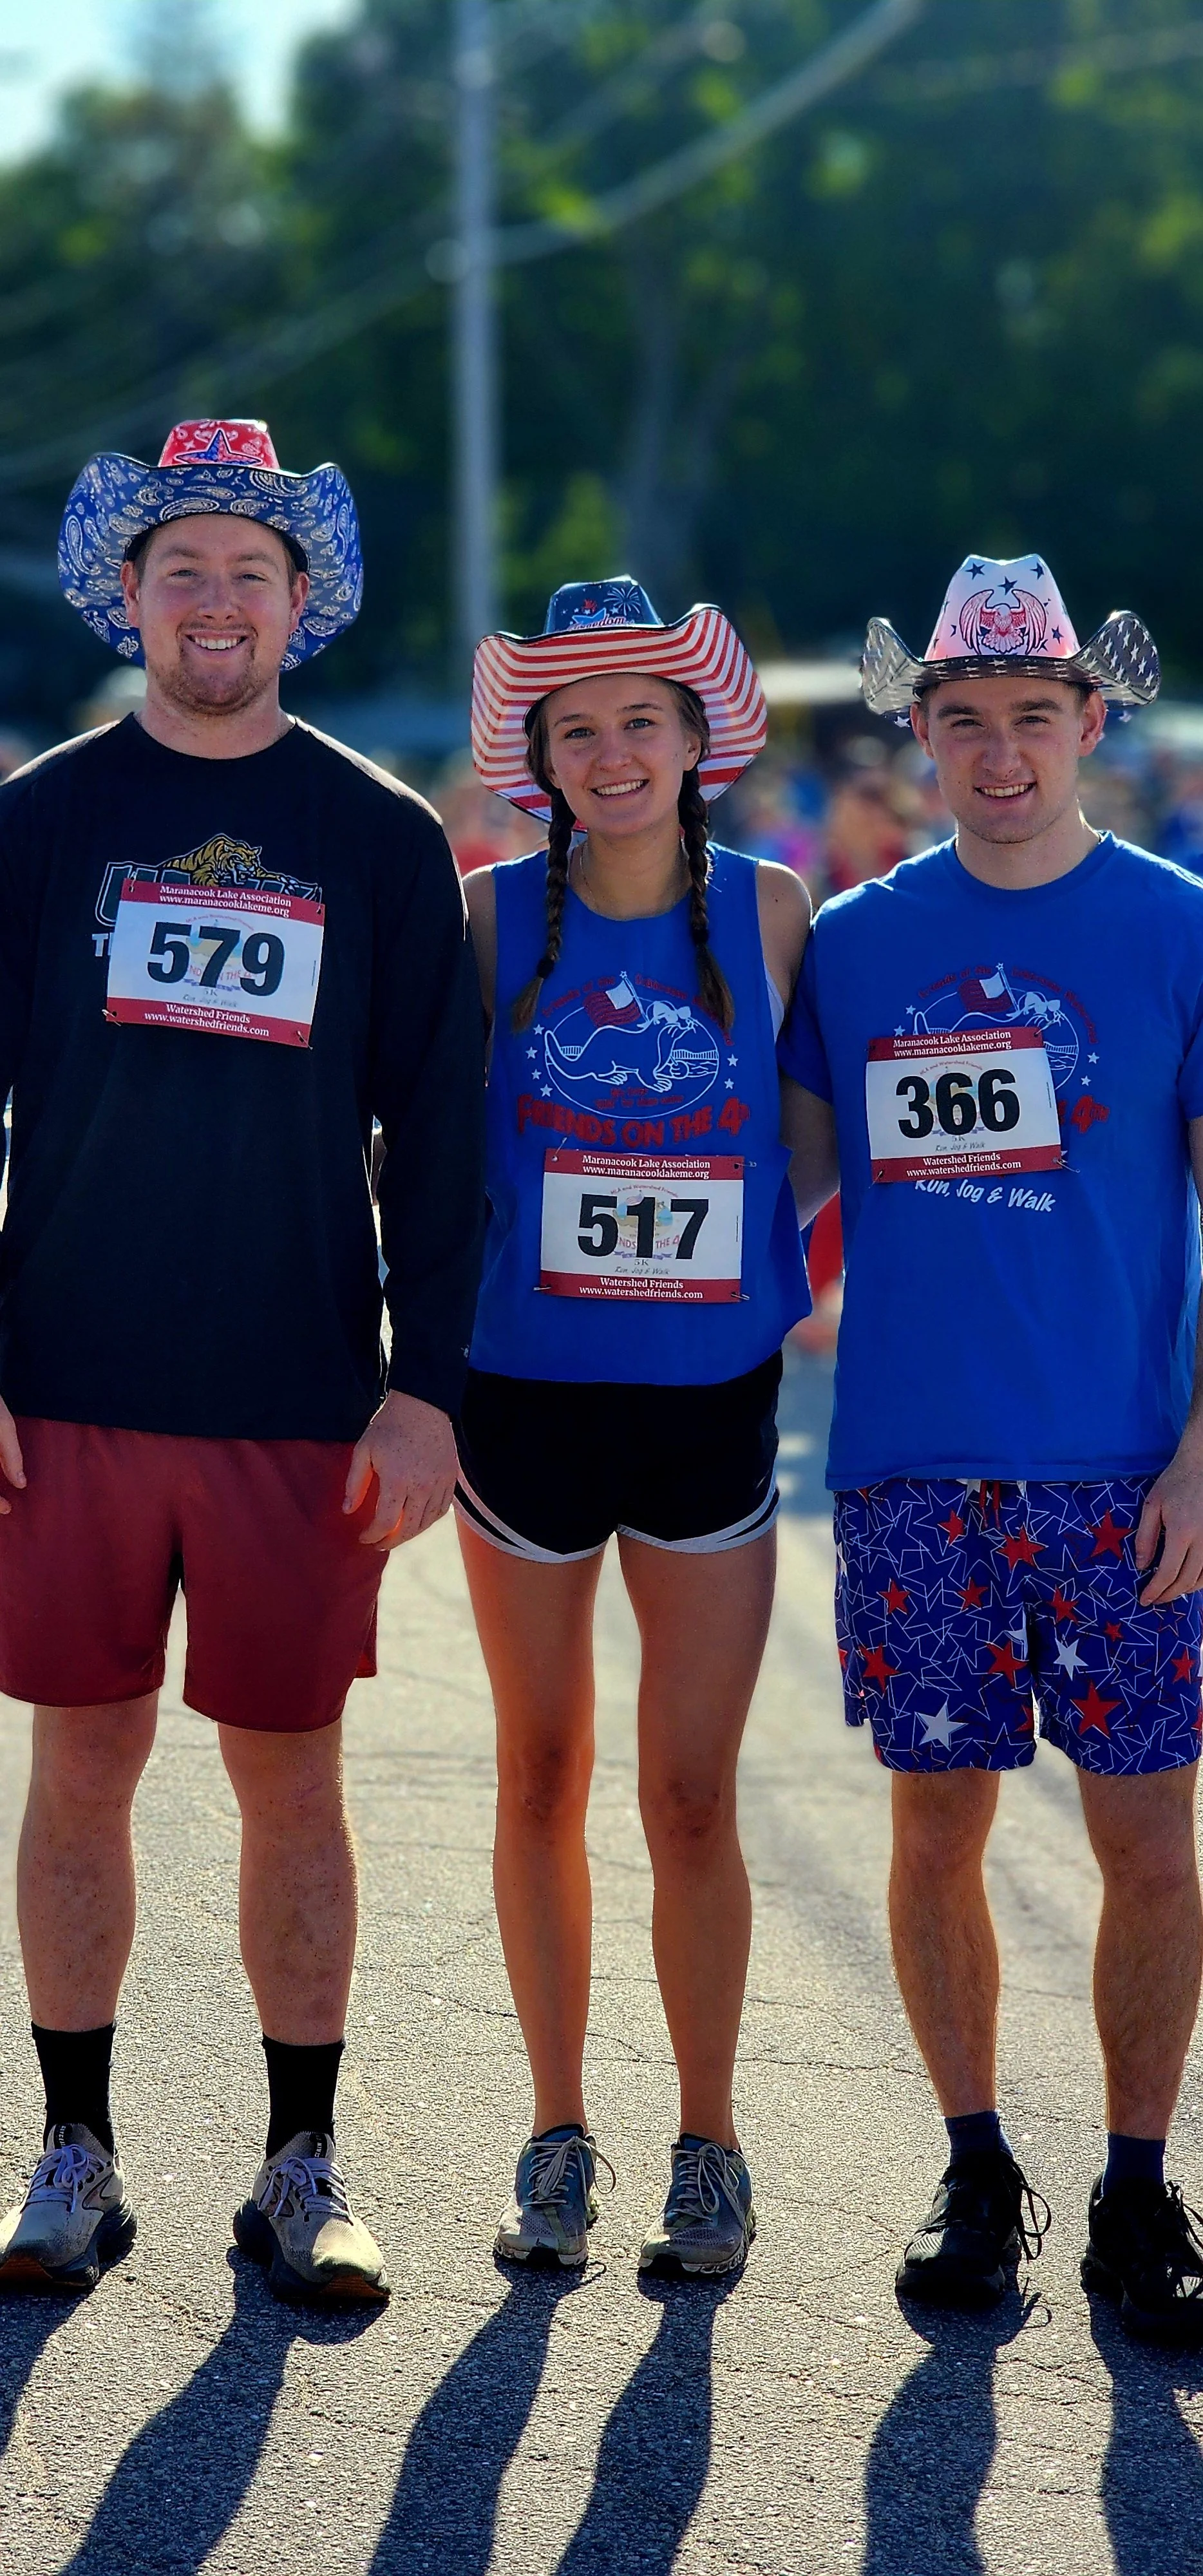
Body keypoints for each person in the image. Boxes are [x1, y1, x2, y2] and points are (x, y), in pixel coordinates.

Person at [0, 418, 484, 2302]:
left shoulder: (375, 835)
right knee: (81, 1769)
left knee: (295, 1784)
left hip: (299, 1399)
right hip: (69, 1396)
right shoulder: (39, 821)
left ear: (304, 604)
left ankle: (301, 2164)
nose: (216, 601)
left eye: (250, 573)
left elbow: (440, 1140)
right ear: (126, 598)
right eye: (182, 569)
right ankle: (72, 2153)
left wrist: (428, 1385)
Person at [780, 549, 1203, 2343]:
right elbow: (777, 1195)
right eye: (966, 721)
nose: (1002, 751)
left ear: (1089, 724)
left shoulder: (1179, 924)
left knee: (1150, 1852)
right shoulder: (860, 941)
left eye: (1034, 716)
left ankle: (1132, 2182)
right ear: (924, 737)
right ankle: (973, 2169)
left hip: (1124, 1474)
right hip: (911, 1470)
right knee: (935, 1826)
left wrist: (1200, 1457)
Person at [460, 577, 810, 2277]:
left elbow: (809, 1141)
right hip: (520, 1402)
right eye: (575, 727)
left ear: (698, 745)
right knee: (540, 1770)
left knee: (686, 1794)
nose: (610, 752)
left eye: (639, 723)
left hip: (705, 1414)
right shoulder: (479, 919)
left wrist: (739, 1261)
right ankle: (552, 2132)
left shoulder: (776, 911)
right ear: (539, 758)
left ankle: (707, 2142)